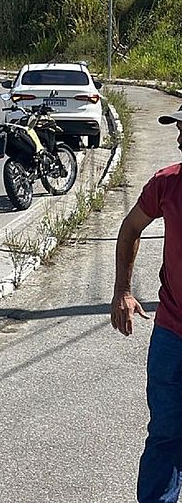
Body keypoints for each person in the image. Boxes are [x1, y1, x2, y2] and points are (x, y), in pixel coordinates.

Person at [111, 105, 182, 503]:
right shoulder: (167, 183)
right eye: (180, 129)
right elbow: (131, 227)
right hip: (172, 333)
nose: (179, 138)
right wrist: (123, 289)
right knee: (167, 433)